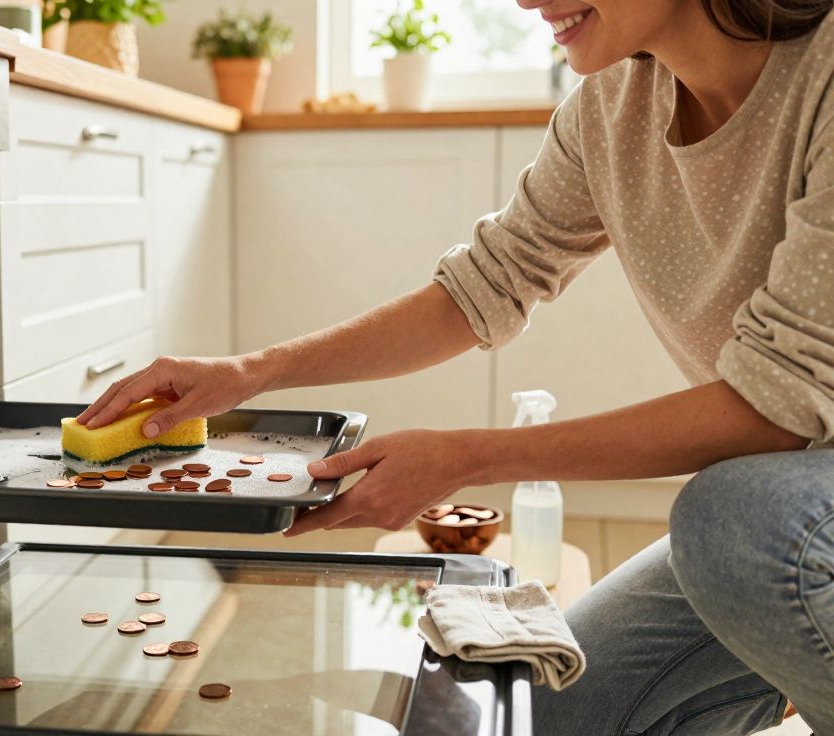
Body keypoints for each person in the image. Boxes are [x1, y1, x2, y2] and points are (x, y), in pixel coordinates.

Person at [78, 0, 834, 732]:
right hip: (783, 524)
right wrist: (253, 371)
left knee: (730, 518)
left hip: (779, 518)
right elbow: (483, 286)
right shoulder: (612, 106)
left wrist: (468, 457)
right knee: (542, 710)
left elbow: (776, 405)